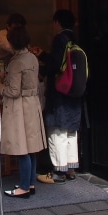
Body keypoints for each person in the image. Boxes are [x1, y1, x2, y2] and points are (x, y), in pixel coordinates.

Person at [33, 9, 82, 184]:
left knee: (56, 130)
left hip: (60, 91)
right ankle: (71, 168)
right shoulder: (76, 38)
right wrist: (44, 55)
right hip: (74, 91)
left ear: (57, 23)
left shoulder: (60, 39)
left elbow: (55, 65)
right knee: (70, 131)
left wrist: (41, 71)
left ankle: (58, 171)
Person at [0, 25, 46, 198]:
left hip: (19, 107)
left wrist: (0, 87)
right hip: (32, 104)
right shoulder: (32, 58)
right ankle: (30, 183)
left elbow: (13, 91)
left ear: (12, 43)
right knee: (31, 147)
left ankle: (24, 187)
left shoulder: (16, 62)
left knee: (22, 148)